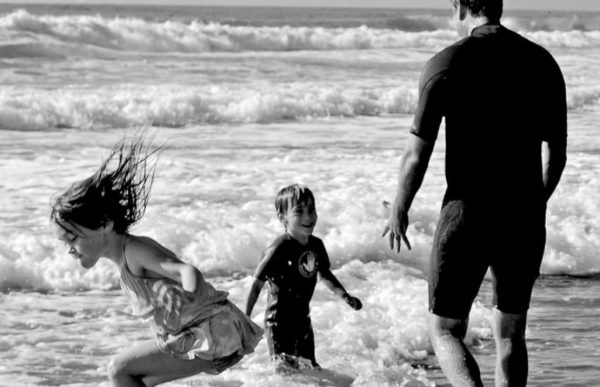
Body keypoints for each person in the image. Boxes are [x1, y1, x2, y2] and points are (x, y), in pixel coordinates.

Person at [382, 0, 567, 386]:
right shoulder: (542, 62)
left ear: (459, 7)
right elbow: (558, 153)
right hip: (525, 217)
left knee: (445, 330)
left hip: (467, 214)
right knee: (512, 333)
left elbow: (417, 154)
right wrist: (534, 203)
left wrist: (399, 208)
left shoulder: (446, 64)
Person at [50, 133, 264, 387]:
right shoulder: (126, 260)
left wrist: (188, 292)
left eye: (72, 238)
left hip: (212, 332)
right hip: (211, 333)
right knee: (137, 377)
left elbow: (187, 271)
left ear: (105, 224)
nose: (69, 249)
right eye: (64, 242)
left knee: (120, 369)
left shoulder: (135, 251)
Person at [245, 184, 362, 372]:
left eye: (311, 210)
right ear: (282, 217)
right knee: (284, 372)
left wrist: (345, 295)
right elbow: (257, 284)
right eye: (299, 211)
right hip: (278, 323)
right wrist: (246, 318)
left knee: (310, 369)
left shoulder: (316, 245)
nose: (308, 217)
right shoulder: (278, 248)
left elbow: (325, 275)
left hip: (302, 321)